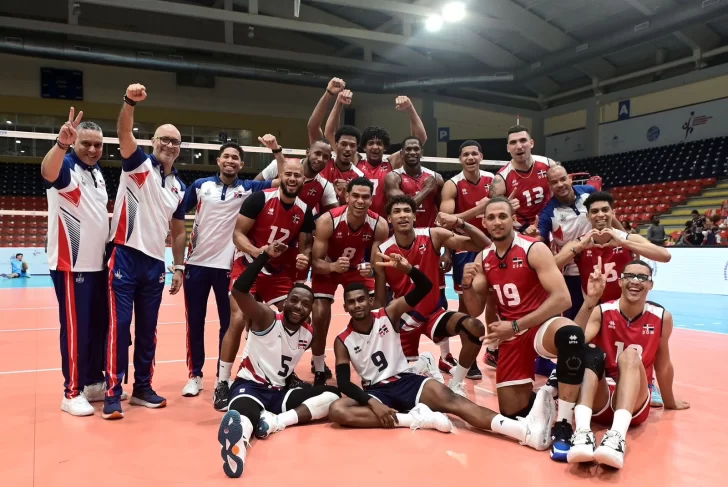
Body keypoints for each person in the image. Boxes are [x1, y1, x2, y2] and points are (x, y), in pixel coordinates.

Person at [329, 253, 555, 452]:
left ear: (369, 301)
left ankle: (524, 432)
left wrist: (408, 269)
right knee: (338, 410)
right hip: (377, 390)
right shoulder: (343, 340)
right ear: (345, 307)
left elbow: (425, 288)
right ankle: (412, 419)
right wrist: (371, 402)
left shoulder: (388, 313)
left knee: (456, 402)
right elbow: (344, 384)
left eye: (361, 300)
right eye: (351, 302)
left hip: (407, 380)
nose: (357, 305)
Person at [462, 196, 588, 462]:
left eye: (502, 216)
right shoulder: (483, 257)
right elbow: (473, 309)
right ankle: (548, 394)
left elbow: (562, 299)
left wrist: (517, 324)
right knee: (511, 412)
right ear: (484, 223)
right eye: (491, 217)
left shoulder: (534, 249)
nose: (497, 222)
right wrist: (466, 284)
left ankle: (563, 425)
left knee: (572, 335)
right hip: (512, 335)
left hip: (539, 324)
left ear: (513, 220)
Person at [217, 240, 340, 479]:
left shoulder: (308, 333)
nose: (298, 307)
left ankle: (275, 422)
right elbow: (239, 291)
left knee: (332, 395)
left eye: (306, 304)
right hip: (250, 386)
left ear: (310, 310)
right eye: (294, 300)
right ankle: (236, 452)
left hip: (280, 393)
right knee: (243, 417)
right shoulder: (267, 317)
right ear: (286, 301)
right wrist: (264, 256)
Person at [104, 84, 188, 419]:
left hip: (155, 264)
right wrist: (128, 102)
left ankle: (142, 387)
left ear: (180, 150)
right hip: (125, 255)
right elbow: (123, 130)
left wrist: (178, 266)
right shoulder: (137, 165)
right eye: (164, 139)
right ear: (154, 142)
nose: (169, 145)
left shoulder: (179, 187)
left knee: (148, 330)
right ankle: (113, 392)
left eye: (175, 142)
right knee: (120, 326)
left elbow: (178, 230)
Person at [567, 259, 689, 469]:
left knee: (631, 355)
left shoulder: (662, 317)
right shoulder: (602, 310)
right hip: (601, 398)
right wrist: (590, 301)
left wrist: (669, 401)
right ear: (621, 282)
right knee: (590, 350)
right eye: (630, 276)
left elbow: (663, 363)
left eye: (642, 277)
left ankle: (616, 438)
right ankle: (582, 433)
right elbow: (573, 344)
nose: (636, 281)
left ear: (651, 285)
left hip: (635, 405)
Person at [213, 159, 314, 410]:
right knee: (238, 319)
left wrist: (305, 256)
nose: (292, 179)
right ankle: (222, 382)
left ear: (304, 180)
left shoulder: (305, 210)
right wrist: (260, 252)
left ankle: (285, 371)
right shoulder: (260, 199)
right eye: (288, 174)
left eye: (297, 176)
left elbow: (306, 245)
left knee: (300, 319)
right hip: (249, 264)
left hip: (278, 272)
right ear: (281, 175)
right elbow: (237, 235)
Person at [176, 142, 274, 398]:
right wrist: (177, 259)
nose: (230, 161)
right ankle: (194, 375)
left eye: (236, 158)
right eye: (226, 157)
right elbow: (176, 213)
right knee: (194, 322)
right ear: (218, 161)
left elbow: (282, 180)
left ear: (241, 164)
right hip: (196, 264)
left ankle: (224, 377)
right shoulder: (200, 186)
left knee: (229, 324)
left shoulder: (249, 188)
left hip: (228, 267)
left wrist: (276, 151)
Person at [375, 195, 489, 396]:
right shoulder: (382, 250)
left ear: (414, 217)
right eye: (396, 211)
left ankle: (456, 384)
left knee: (475, 327)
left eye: (407, 211)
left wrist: (460, 222)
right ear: (389, 219)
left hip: (433, 314)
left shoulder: (433, 235)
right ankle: (423, 363)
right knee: (401, 385)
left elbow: (484, 245)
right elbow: (380, 297)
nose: (402, 215)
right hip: (404, 320)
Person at [40, 110, 110, 416]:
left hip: (98, 266)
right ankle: (71, 391)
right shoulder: (66, 165)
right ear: (75, 142)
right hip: (72, 265)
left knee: (97, 328)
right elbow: (47, 171)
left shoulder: (97, 172)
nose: (93, 149)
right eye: (86, 143)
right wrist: (61, 144)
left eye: (98, 144)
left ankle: (93, 381)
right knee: (75, 330)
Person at [310, 178, 390, 385]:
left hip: (355, 270)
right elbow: (315, 262)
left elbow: (376, 263)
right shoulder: (328, 220)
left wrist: (370, 269)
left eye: (365, 197)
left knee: (377, 310)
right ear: (346, 196)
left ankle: (375, 363)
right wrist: (332, 267)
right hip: (328, 267)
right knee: (319, 313)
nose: (360, 201)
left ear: (372, 200)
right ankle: (318, 366)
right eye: (355, 196)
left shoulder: (379, 224)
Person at [554, 191, 672, 303]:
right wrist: (579, 248)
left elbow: (665, 256)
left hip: (624, 307)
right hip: (594, 307)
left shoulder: (627, 239)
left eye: (605, 210)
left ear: (613, 213)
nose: (600, 214)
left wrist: (624, 243)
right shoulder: (580, 242)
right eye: (595, 211)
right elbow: (552, 266)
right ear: (588, 216)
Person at [439, 140, 494, 368]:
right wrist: (479, 210)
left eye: (474, 153)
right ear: (460, 159)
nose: (470, 158)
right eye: (465, 155)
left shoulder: (494, 180)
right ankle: (467, 358)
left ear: (481, 156)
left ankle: (492, 351)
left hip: (493, 247)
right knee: (465, 306)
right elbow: (446, 220)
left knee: (495, 301)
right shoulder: (452, 184)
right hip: (466, 248)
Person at [320, 125, 364, 204]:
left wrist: (345, 196)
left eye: (352, 145)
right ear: (336, 144)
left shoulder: (359, 177)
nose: (348, 149)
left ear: (357, 148)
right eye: (343, 144)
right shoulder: (322, 164)